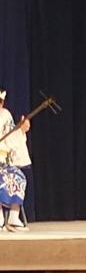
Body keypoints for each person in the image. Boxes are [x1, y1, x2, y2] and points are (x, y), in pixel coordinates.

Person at [0, 88, 31, 232]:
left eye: (1, 102)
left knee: (18, 177)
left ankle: (13, 215)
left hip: (3, 160)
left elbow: (11, 137)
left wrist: (21, 130)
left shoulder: (5, 115)